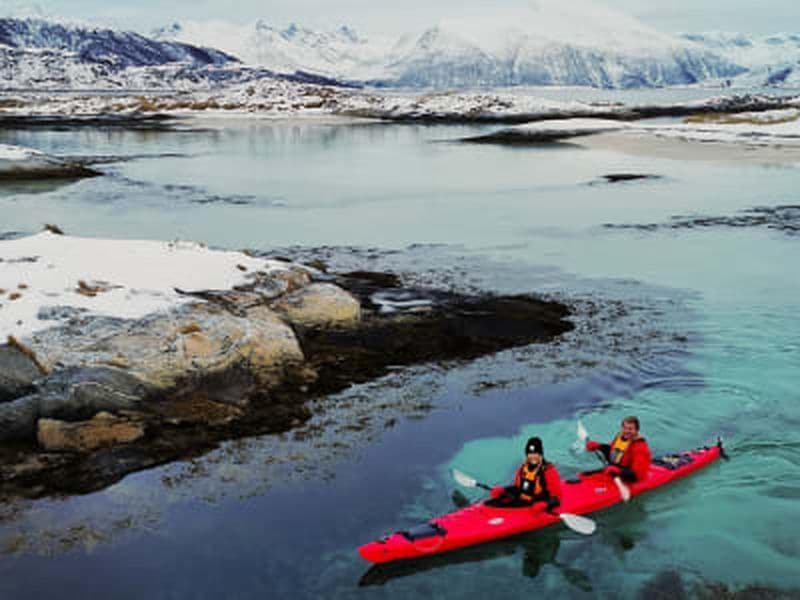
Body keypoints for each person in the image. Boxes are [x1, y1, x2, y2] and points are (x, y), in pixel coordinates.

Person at [488, 437, 562, 510]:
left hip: (537, 505)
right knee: (491, 503)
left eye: (536, 453)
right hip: (523, 502)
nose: (533, 456)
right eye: (530, 453)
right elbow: (518, 488)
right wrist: (503, 490)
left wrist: (546, 504)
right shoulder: (522, 469)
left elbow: (557, 498)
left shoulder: (548, 471)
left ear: (540, 454)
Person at [585, 415, 651, 483]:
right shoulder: (620, 436)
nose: (626, 431)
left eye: (630, 429)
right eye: (625, 428)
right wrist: (598, 446)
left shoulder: (640, 447)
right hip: (616, 469)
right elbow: (612, 452)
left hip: (628, 476)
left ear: (637, 430)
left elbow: (637, 475)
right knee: (585, 474)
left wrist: (618, 471)